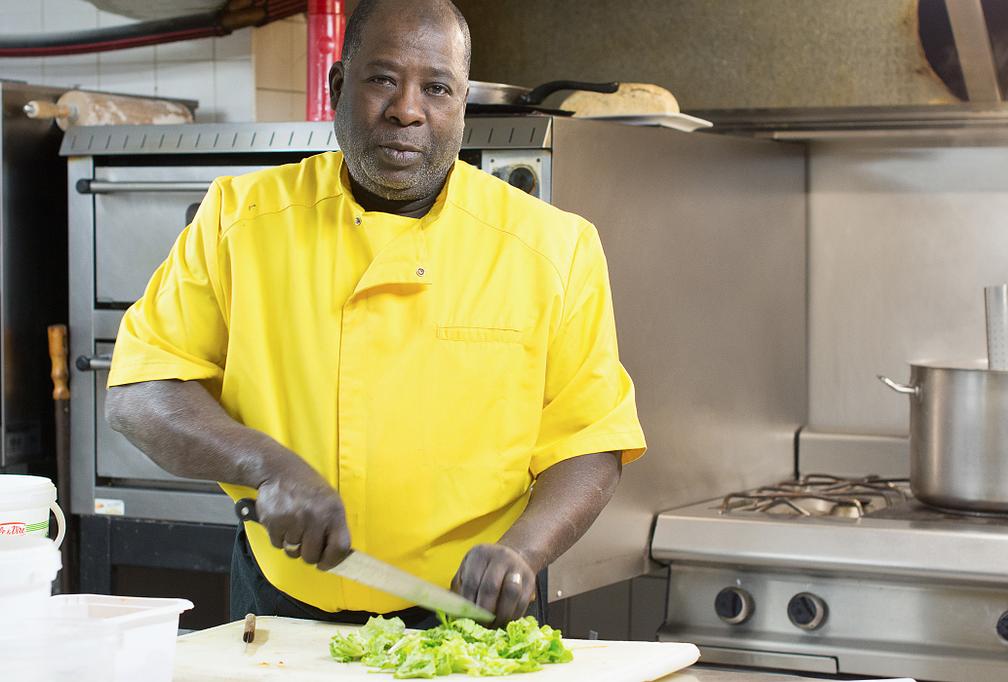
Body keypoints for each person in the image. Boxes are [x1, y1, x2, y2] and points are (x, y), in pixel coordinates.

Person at [105, 0, 645, 628]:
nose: (407, 110)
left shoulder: (554, 246)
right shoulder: (239, 218)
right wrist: (264, 465)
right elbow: (141, 391)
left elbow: (591, 441)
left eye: (437, 88)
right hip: (281, 603)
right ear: (338, 86)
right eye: (383, 79)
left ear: (462, 104)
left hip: (472, 609)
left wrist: (524, 551)